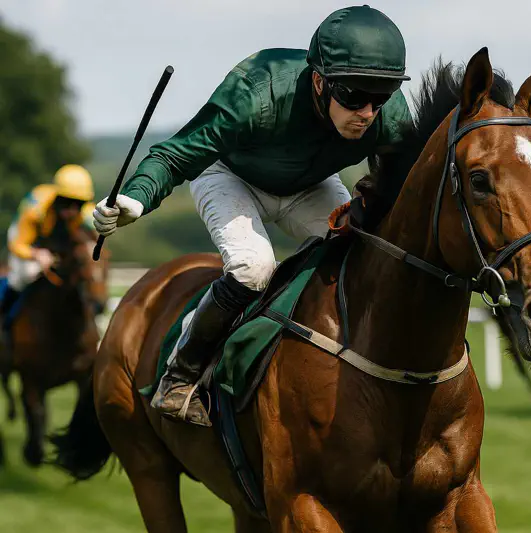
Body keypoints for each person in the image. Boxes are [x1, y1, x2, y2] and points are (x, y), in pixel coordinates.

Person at [92, 5, 413, 427]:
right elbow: (176, 154)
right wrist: (135, 198)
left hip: (311, 185)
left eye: (381, 96)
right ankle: (181, 375)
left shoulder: (386, 115)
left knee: (363, 257)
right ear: (319, 81)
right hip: (230, 175)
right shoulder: (256, 92)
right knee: (254, 268)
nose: (368, 112)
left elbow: (402, 186)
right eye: (354, 96)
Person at [1, 164, 95, 343]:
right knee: (25, 275)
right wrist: (37, 255)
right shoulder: (34, 211)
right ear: (57, 198)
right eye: (67, 203)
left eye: (78, 204)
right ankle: (5, 317)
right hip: (29, 240)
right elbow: (17, 244)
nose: (72, 210)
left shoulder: (86, 213)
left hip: (56, 243)